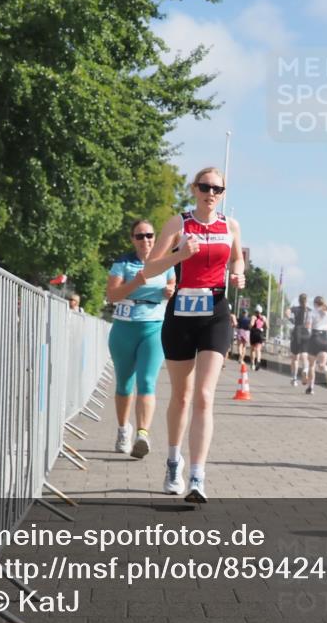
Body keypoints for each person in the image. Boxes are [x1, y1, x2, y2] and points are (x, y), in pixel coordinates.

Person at [144, 166, 245, 503]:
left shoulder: (230, 226)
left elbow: (237, 262)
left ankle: (197, 477)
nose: (210, 193)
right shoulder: (179, 223)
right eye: (205, 186)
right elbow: (150, 270)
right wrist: (179, 255)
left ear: (223, 193)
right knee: (182, 396)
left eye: (217, 188)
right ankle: (174, 461)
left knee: (204, 394)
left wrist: (238, 276)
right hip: (181, 315)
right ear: (194, 189)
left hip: (215, 313)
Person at [106, 220, 176, 458]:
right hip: (124, 329)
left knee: (147, 381)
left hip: (153, 328)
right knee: (125, 384)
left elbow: (171, 285)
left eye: (149, 235)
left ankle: (142, 434)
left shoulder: (165, 262)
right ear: (132, 239)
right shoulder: (122, 264)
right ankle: (123, 429)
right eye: (140, 236)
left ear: (155, 238)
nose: (145, 240)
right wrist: (136, 282)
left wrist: (169, 291)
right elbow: (112, 295)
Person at [304, 296, 327, 394]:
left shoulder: (312, 313)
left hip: (314, 338)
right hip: (324, 339)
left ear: (315, 304)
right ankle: (326, 369)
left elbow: (308, 326)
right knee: (321, 365)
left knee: (312, 365)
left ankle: (311, 387)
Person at [287, 294, 311, 386]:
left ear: (299, 300)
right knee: (305, 356)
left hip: (296, 332)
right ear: (306, 301)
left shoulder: (295, 308)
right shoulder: (309, 310)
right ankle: (305, 370)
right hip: (306, 333)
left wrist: (290, 318)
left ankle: (294, 379)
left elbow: (287, 312)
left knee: (295, 358)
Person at [249, 304, 268, 370]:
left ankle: (252, 363)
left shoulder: (253, 317)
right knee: (258, 349)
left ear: (255, 311)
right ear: (261, 311)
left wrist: (250, 326)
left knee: (252, 350)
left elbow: (251, 325)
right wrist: (264, 322)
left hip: (253, 333)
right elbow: (267, 327)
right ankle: (258, 361)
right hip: (260, 334)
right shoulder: (263, 317)